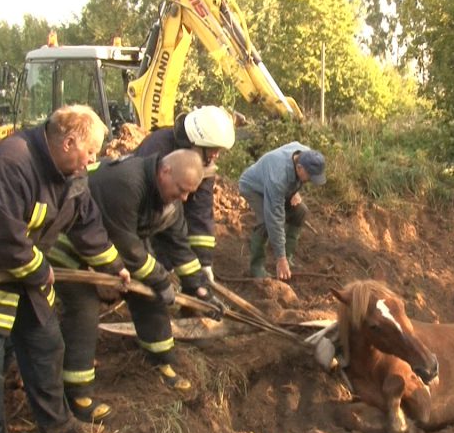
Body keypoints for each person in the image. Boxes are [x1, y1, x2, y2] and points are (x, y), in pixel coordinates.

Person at [0, 105, 131, 433]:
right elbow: (1, 237)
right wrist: (41, 271)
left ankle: (56, 425)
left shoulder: (72, 175)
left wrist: (113, 267)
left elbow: (87, 224)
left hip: (25, 279)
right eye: (90, 152)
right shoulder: (10, 164)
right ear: (69, 142)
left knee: (46, 346)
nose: (92, 161)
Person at [51, 149, 223, 411]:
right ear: (165, 171)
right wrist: (161, 279)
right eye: (181, 189)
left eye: (189, 192)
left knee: (149, 297)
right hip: (72, 244)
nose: (184, 198)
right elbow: (128, 248)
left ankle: (161, 361)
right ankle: (77, 393)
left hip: (114, 250)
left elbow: (179, 246)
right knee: (83, 310)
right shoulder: (125, 183)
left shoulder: (171, 200)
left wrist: (200, 289)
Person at [133, 105, 237, 282]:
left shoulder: (204, 163)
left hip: (166, 217)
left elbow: (200, 212)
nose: (216, 155)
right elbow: (149, 209)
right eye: (214, 149)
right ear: (197, 142)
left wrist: (203, 263)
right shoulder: (158, 149)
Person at [238, 142, 326, 280]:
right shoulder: (278, 178)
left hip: (275, 185)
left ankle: (288, 257)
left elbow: (295, 145)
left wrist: (294, 190)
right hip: (254, 187)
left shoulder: (306, 155)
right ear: (299, 168)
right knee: (266, 222)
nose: (310, 181)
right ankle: (257, 267)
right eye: (309, 177)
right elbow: (275, 218)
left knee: (300, 211)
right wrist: (280, 258)